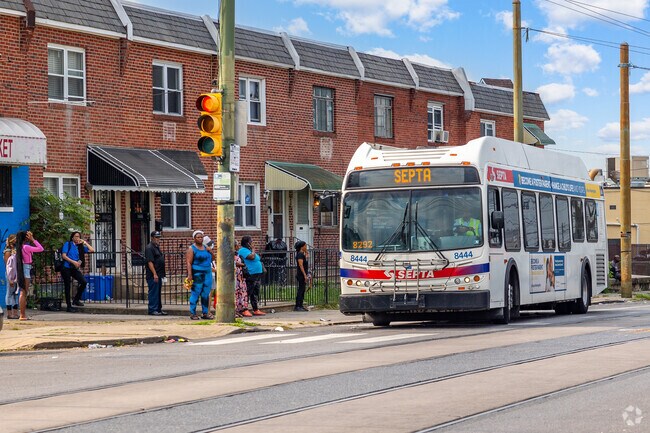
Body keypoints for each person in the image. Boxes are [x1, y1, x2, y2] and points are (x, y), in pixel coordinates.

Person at [60, 231, 95, 313]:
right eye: (76, 236)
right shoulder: (68, 244)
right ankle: (69, 306)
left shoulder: (80, 247)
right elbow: (64, 256)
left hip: (74, 268)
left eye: (78, 236)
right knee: (67, 286)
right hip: (66, 267)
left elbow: (92, 250)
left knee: (83, 282)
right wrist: (73, 262)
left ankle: (76, 299)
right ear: (72, 237)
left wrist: (85, 243)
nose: (77, 238)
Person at [15, 230, 44, 320]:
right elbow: (40, 248)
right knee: (24, 292)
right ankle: (22, 315)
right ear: (26, 238)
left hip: (23, 269)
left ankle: (22, 314)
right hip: (26, 268)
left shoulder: (20, 247)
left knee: (22, 292)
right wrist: (33, 239)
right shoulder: (26, 247)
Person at [186, 230, 214, 320]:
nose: (200, 239)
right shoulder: (192, 249)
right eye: (198, 237)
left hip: (207, 272)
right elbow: (189, 262)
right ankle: (192, 313)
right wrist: (190, 275)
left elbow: (213, 258)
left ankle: (205, 312)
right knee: (196, 292)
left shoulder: (206, 247)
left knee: (206, 293)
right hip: (197, 272)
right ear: (194, 238)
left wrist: (211, 251)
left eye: (201, 237)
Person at [238, 235, 266, 316]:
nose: (252, 243)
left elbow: (257, 258)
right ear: (247, 243)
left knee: (255, 292)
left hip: (257, 274)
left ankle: (255, 309)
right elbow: (252, 257)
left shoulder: (249, 250)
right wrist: (253, 249)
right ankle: (244, 309)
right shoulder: (243, 250)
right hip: (250, 274)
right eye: (251, 241)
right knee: (248, 292)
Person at [145, 231, 167, 316]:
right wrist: (154, 274)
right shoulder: (149, 248)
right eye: (156, 237)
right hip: (153, 275)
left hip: (159, 274)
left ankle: (158, 309)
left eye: (159, 237)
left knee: (157, 292)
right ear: (152, 238)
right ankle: (152, 309)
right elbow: (150, 262)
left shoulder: (156, 247)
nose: (158, 239)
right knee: (153, 292)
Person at [234, 240, 251, 317]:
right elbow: (235, 263)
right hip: (235, 275)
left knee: (242, 292)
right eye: (237, 245)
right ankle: (235, 310)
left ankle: (240, 309)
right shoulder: (229, 253)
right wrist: (242, 264)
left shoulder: (237, 253)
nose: (238, 246)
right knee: (236, 293)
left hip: (240, 275)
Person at [3, 235, 19, 320]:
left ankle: (15, 312)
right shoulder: (8, 251)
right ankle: (9, 313)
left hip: (16, 274)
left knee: (15, 293)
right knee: (9, 293)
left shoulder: (15, 250)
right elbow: (8, 266)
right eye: (15, 239)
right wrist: (10, 279)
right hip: (10, 274)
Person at [294, 240, 311, 312]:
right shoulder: (300, 254)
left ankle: (301, 305)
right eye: (305, 246)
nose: (306, 247)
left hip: (303, 274)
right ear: (302, 247)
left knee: (303, 289)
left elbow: (305, 263)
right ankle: (298, 305)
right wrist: (304, 275)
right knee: (301, 290)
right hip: (301, 274)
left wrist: (307, 255)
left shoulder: (302, 254)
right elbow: (301, 265)